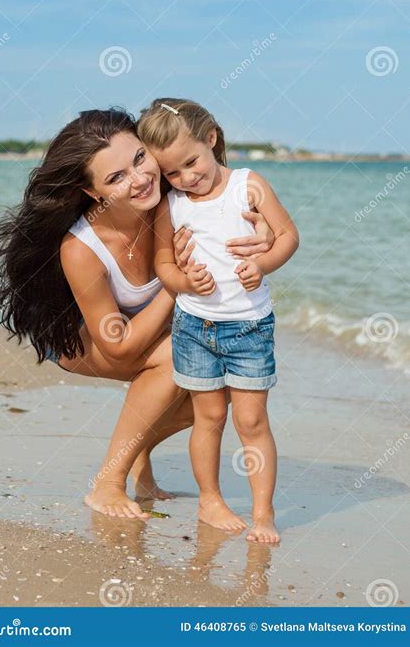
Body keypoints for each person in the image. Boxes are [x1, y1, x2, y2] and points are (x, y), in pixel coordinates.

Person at [0, 107, 275, 520]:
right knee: (177, 359)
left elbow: (228, 193)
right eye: (116, 178)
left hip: (148, 326)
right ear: (94, 194)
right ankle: (107, 483)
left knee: (222, 385)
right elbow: (118, 347)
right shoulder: (81, 248)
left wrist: (260, 231)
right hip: (79, 337)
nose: (139, 179)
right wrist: (177, 288)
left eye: (139, 159)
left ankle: (137, 450)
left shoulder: (172, 198)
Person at [138, 98, 299, 542]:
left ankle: (263, 513)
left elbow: (288, 236)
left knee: (252, 423)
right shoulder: (173, 204)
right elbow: (163, 265)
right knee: (208, 417)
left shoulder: (249, 185)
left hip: (249, 327)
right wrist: (185, 283)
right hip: (194, 328)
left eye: (191, 162)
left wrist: (264, 263)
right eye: (172, 172)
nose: (186, 177)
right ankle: (210, 500)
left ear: (211, 139)